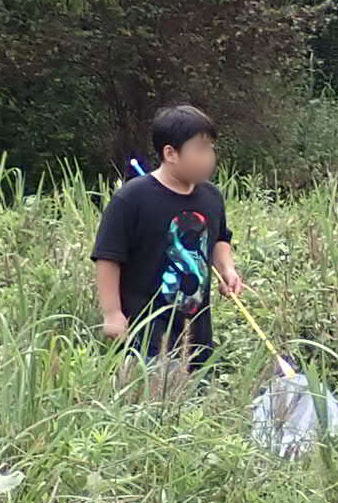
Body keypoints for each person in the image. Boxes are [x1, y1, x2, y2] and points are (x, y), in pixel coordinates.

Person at [93, 104, 242, 369]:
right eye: (200, 149)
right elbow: (108, 257)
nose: (209, 157)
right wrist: (112, 313)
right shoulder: (132, 198)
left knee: (198, 404)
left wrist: (227, 270)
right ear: (170, 153)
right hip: (146, 336)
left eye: (210, 148)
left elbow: (220, 238)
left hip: (196, 339)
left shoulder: (211, 196)